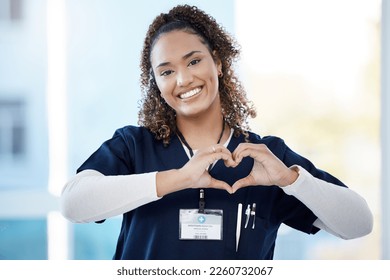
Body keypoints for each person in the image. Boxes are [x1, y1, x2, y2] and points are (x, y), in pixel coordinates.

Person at [60, 4, 373, 260]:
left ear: (218, 63)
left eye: (193, 61)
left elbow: (359, 223)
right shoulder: (133, 146)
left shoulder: (266, 159)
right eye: (166, 71)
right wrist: (180, 178)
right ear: (156, 81)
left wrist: (291, 180)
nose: (182, 79)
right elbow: (74, 203)